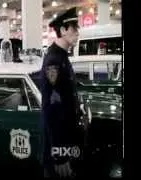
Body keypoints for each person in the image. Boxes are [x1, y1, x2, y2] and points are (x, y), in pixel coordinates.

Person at [39, 7, 86, 178]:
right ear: (64, 30)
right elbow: (51, 110)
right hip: (58, 148)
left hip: (66, 141)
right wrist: (59, 154)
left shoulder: (62, 57)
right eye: (75, 28)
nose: (78, 32)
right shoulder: (54, 61)